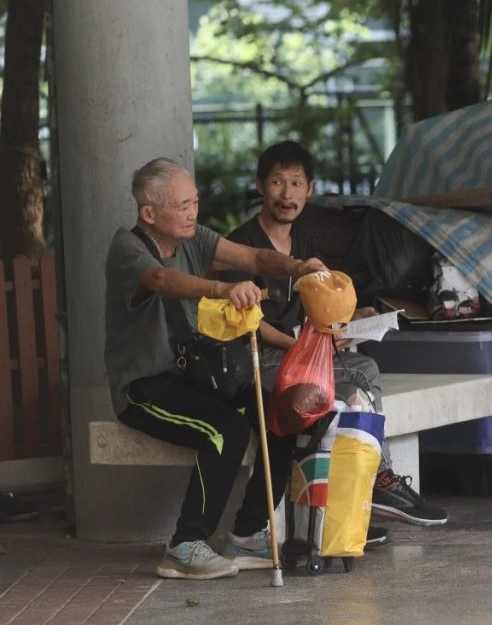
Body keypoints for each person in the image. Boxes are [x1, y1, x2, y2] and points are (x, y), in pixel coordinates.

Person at [104, 158, 326, 580]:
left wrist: (298, 268)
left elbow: (256, 257)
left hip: (194, 375)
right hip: (144, 387)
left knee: (281, 411)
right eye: (182, 205)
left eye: (195, 202)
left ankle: (246, 533)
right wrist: (223, 288)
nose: (193, 212)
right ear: (149, 214)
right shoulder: (128, 249)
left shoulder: (194, 237)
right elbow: (164, 282)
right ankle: (185, 544)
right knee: (226, 428)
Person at [222, 140, 448, 534]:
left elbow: (317, 307)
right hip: (259, 356)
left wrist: (349, 321)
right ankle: (378, 485)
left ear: (310, 190)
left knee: (361, 368)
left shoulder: (304, 241)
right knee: (352, 387)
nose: (287, 193)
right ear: (260, 186)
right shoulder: (242, 243)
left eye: (296, 183)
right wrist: (298, 347)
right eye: (277, 182)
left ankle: (349, 508)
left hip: (296, 350)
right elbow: (250, 323)